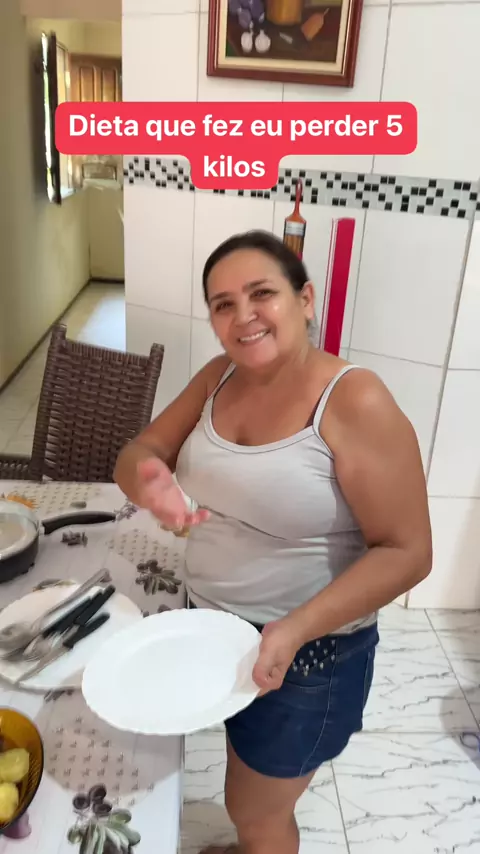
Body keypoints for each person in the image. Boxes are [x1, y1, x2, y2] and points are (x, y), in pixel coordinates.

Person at [114, 230, 432, 854]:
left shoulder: (354, 399)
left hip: (307, 656)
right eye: (223, 304)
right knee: (244, 772)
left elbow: (408, 551)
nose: (243, 316)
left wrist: (293, 629)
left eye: (262, 294)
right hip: (214, 631)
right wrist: (149, 478)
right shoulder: (218, 377)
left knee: (256, 813)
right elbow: (141, 449)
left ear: (305, 299)